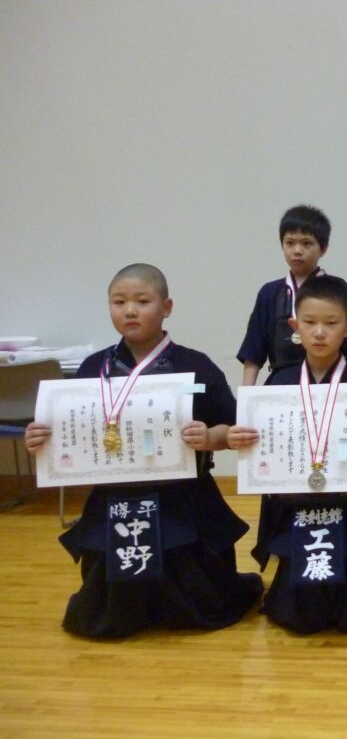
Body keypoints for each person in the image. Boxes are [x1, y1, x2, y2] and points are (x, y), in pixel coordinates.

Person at [24, 264, 262, 639]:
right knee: (102, 617)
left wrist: (210, 437)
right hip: (115, 495)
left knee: (201, 605)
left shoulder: (195, 365)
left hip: (183, 496)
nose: (130, 310)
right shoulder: (94, 367)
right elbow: (68, 431)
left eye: (142, 301)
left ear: (166, 307)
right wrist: (42, 438)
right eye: (119, 302)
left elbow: (235, 429)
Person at [228, 275, 347, 634]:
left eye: (331, 323)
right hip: (297, 505)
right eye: (310, 322)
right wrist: (240, 438)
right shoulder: (279, 382)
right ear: (294, 326)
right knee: (296, 613)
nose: (320, 332)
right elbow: (263, 441)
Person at [237, 205, 347, 386]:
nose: (297, 250)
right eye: (290, 243)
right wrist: (247, 396)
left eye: (307, 243)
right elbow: (253, 354)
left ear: (323, 248)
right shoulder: (269, 293)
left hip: (329, 385)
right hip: (281, 385)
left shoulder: (337, 290)